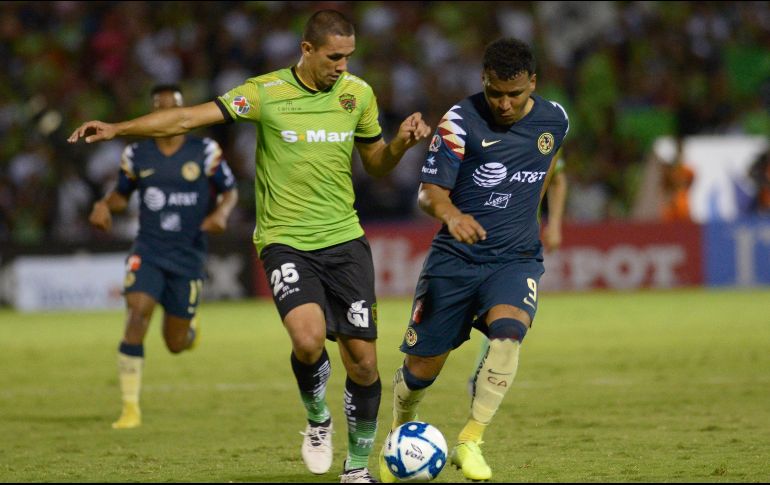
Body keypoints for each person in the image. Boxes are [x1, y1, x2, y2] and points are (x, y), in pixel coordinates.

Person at [69, 10, 430, 483]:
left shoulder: (357, 95)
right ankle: (318, 418)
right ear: (307, 50)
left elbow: (377, 164)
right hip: (285, 242)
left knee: (363, 361)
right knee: (306, 342)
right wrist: (119, 129)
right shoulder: (265, 92)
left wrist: (400, 144)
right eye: (334, 56)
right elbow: (187, 115)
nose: (343, 65)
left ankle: (358, 467)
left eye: (348, 57)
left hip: (344, 240)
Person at [378, 38, 569, 482]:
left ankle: (470, 440)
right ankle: (398, 435)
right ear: (483, 81)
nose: (503, 103)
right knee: (422, 370)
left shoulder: (555, 119)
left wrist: (531, 222)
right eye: (495, 92)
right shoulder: (459, 121)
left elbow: (547, 172)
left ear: (532, 84)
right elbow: (429, 193)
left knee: (508, 334)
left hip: (515, 259)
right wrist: (453, 214)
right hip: (455, 260)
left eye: (514, 94)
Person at [86, 84, 238, 430]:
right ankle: (129, 409)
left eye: (174, 109)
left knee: (175, 343)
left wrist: (222, 213)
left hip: (188, 254)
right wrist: (103, 205)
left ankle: (189, 329)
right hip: (149, 250)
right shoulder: (136, 154)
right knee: (136, 317)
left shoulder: (206, 151)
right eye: (161, 109)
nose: (167, 116)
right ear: (152, 114)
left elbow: (229, 191)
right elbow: (122, 196)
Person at [466, 148, 568, 397]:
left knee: (503, 307)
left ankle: (482, 371)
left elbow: (557, 177)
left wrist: (554, 224)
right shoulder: (475, 128)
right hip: (471, 236)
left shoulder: (542, 128)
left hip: (515, 244)